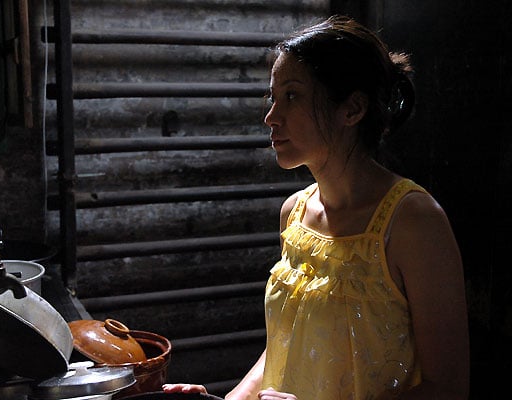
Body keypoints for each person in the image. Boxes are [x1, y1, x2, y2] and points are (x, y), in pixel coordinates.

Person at [163, 15, 469, 400]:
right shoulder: (294, 214)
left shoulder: (412, 222)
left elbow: (449, 388)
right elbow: (283, 349)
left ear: (352, 109)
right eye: (273, 97)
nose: (270, 117)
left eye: (292, 96)